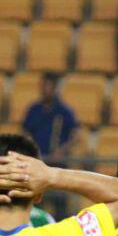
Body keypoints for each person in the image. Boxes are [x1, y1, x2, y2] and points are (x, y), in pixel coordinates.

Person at [21, 73, 78, 217]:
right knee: (37, 206)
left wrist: (61, 151)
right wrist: (33, 150)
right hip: (37, 165)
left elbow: (76, 136)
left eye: (50, 86)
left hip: (58, 167)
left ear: (56, 88)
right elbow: (25, 132)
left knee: (60, 208)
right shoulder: (34, 109)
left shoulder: (64, 111)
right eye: (44, 86)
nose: (46, 90)